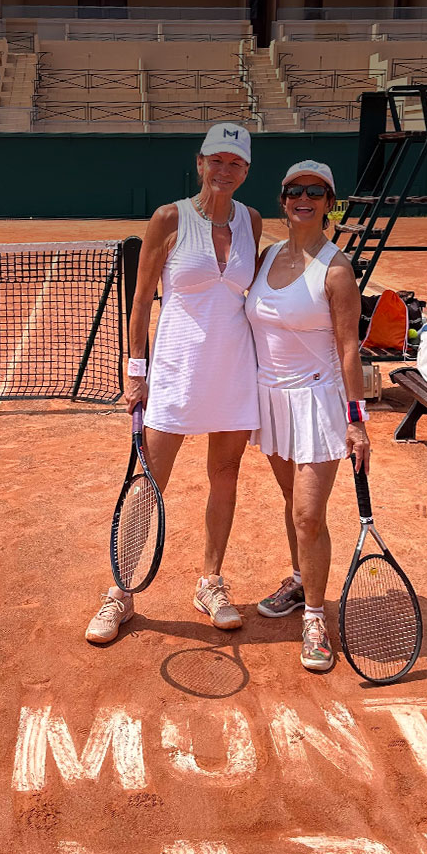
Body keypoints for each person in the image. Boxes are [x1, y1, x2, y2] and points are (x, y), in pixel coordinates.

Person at [86, 122, 262, 643]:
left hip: (234, 371)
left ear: (246, 170)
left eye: (236, 163)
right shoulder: (169, 218)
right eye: (217, 160)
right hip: (176, 372)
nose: (225, 170)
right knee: (149, 481)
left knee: (225, 473)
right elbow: (141, 301)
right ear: (200, 162)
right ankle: (120, 592)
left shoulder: (252, 221)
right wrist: (135, 373)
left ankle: (211, 582)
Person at [246, 160, 371, 672]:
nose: (304, 199)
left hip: (318, 403)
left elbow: (349, 349)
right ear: (283, 199)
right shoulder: (266, 256)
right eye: (294, 191)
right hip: (271, 401)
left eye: (315, 193)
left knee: (308, 515)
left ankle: (315, 616)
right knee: (290, 501)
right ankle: (300, 582)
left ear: (329, 204)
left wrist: (356, 421)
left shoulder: (336, 270)